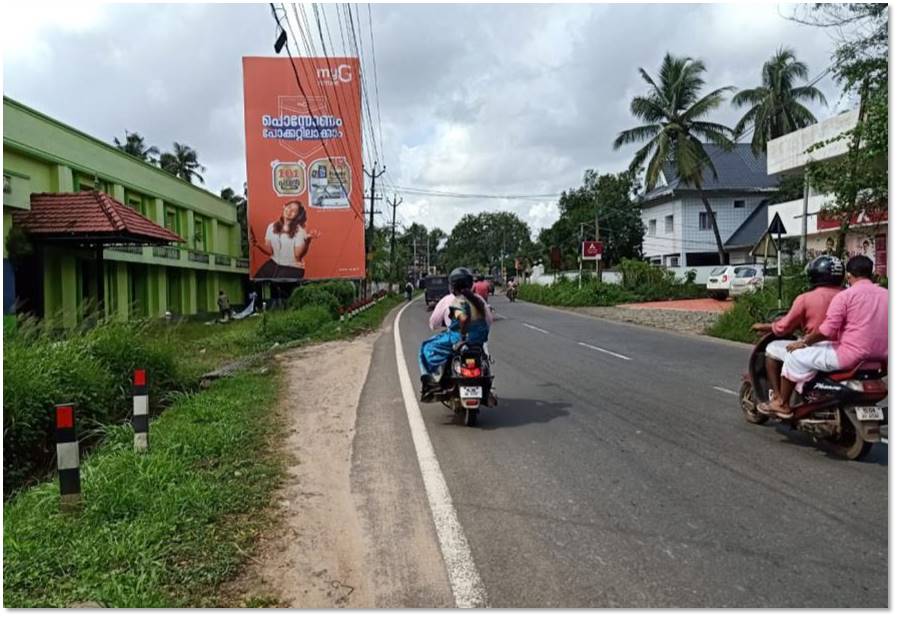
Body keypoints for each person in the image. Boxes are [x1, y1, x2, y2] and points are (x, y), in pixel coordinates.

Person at [759, 255, 888, 418]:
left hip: (849, 356)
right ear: (873, 274)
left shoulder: (846, 296)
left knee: (793, 356)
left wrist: (804, 342)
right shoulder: (887, 295)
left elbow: (827, 330)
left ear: (848, 275)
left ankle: (782, 403)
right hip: (882, 359)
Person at [751, 256, 844, 404]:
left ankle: (778, 398)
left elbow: (783, 327)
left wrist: (764, 326)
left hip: (816, 346)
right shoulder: (849, 296)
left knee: (772, 348)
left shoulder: (806, 298)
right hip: (843, 348)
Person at [419, 267, 492, 399]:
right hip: (479, 340)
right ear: (471, 284)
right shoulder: (479, 300)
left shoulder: (453, 300)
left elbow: (435, 323)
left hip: (459, 339)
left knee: (426, 348)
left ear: (452, 286)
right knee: (485, 356)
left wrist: (462, 336)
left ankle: (431, 381)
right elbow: (488, 321)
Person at [252, 200, 320, 280]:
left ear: (297, 215)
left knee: (276, 285)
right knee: (256, 280)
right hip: (275, 263)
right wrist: (257, 244)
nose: (290, 211)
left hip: (292, 268)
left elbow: (297, 256)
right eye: (289, 207)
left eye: (294, 211)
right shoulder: (271, 226)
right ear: (284, 206)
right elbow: (270, 251)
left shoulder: (300, 231)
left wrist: (307, 241)